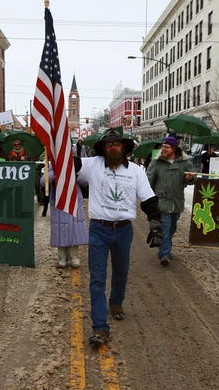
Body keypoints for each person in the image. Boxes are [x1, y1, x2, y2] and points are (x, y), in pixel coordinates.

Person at [77, 128, 163, 347]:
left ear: (124, 148)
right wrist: (58, 148)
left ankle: (116, 302)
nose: (113, 147)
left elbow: (148, 198)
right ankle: (100, 328)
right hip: (99, 229)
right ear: (103, 149)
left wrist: (155, 223)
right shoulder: (93, 165)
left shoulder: (136, 171)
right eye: (108, 144)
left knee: (121, 272)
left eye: (117, 143)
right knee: (97, 279)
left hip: (124, 230)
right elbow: (71, 164)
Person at [146, 136, 195, 266]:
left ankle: (165, 247)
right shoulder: (157, 162)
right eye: (163, 146)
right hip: (161, 202)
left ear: (174, 148)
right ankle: (165, 254)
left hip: (177, 201)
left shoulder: (185, 162)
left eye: (166, 147)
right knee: (166, 228)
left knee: (172, 228)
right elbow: (149, 180)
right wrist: (148, 198)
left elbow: (190, 179)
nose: (163, 149)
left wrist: (190, 178)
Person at [40, 165, 88, 268]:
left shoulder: (75, 164)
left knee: (73, 229)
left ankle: (74, 256)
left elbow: (85, 181)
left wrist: (75, 172)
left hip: (73, 202)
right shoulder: (53, 165)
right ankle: (62, 257)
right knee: (60, 229)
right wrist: (56, 172)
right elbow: (43, 182)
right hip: (59, 202)